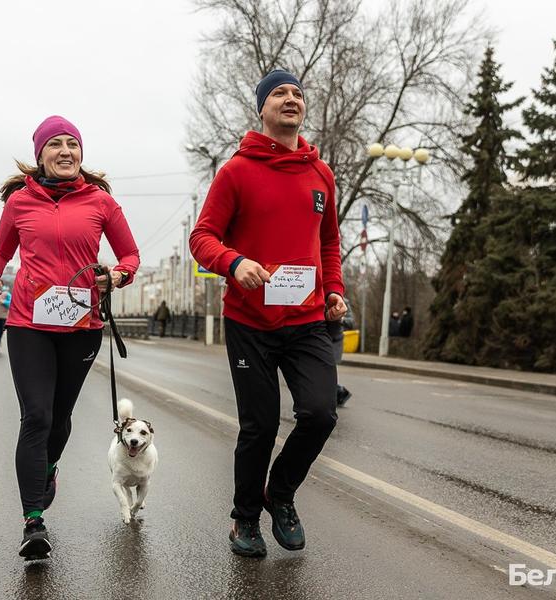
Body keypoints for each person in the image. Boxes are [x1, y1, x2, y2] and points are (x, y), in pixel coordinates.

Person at [190, 69, 347, 558]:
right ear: (262, 108)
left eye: (297, 93)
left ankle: (279, 494)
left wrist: (335, 290)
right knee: (258, 426)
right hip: (249, 322)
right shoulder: (237, 171)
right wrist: (235, 263)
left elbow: (329, 242)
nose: (290, 99)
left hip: (306, 320)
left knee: (320, 414)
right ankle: (244, 520)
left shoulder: (322, 174)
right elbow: (202, 239)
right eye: (279, 93)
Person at [0, 115, 140, 560]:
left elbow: (129, 254)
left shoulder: (101, 201)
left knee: (61, 415)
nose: (66, 151)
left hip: (80, 326)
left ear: (81, 154)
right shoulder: (19, 202)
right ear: (41, 155)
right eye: (56, 144)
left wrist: (118, 276)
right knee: (36, 417)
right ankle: (33, 522)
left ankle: (48, 468)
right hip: (29, 323)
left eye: (73, 144)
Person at [327, 297, 354, 406]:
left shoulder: (343, 301)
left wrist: (341, 319)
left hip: (335, 342)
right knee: (321, 371)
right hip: (320, 339)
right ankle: (339, 393)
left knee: (328, 370)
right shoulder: (321, 298)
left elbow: (351, 322)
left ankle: (340, 392)